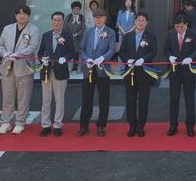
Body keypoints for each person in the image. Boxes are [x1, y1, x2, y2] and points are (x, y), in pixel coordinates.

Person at [0, 5, 40, 135]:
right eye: (19, 14)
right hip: (7, 67)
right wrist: (4, 54)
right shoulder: (7, 28)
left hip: (24, 68)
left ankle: (20, 122)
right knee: (7, 97)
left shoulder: (34, 29)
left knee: (23, 97)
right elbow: (0, 45)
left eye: (25, 14)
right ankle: (5, 122)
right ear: (15, 15)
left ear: (28, 16)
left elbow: (32, 47)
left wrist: (18, 54)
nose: (22, 16)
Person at [78, 8, 116, 137]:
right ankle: (84, 125)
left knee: (103, 99)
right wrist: (86, 59)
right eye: (96, 18)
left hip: (103, 69)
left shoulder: (110, 32)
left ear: (105, 18)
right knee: (86, 98)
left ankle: (101, 125)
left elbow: (112, 49)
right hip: (88, 69)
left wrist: (102, 58)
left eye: (100, 17)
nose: (98, 20)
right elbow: (82, 49)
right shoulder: (88, 32)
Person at [119, 10, 157, 137]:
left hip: (145, 73)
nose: (140, 22)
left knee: (143, 101)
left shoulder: (150, 36)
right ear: (135, 22)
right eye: (138, 20)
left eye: (143, 20)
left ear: (147, 23)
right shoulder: (128, 36)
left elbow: (153, 52)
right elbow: (122, 52)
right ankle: (132, 126)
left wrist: (143, 59)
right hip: (130, 73)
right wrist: (127, 60)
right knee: (130, 101)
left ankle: (141, 126)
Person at [38, 11, 74, 137]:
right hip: (47, 71)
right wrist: (42, 59)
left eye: (59, 20)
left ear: (63, 22)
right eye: (54, 20)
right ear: (51, 21)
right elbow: (40, 52)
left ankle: (58, 125)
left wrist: (65, 58)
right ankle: (46, 125)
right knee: (46, 99)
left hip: (60, 71)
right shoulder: (46, 35)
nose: (57, 22)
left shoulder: (68, 35)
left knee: (59, 100)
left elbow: (71, 52)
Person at [164, 13, 196, 137]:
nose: (179, 29)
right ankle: (173, 125)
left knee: (189, 98)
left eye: (181, 27)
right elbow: (166, 49)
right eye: (177, 27)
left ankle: (190, 126)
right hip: (175, 70)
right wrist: (169, 57)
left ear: (186, 24)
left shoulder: (193, 34)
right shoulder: (170, 34)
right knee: (174, 99)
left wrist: (191, 58)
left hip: (188, 70)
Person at [64, 1, 86, 73]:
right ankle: (64, 67)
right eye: (74, 8)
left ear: (79, 9)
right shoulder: (68, 16)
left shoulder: (82, 17)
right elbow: (64, 27)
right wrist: (69, 35)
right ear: (72, 9)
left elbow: (83, 28)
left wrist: (76, 34)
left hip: (78, 39)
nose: (76, 10)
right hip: (68, 39)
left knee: (76, 54)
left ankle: (75, 68)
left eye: (77, 9)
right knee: (67, 53)